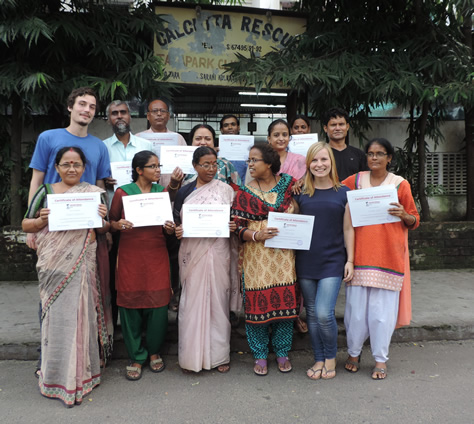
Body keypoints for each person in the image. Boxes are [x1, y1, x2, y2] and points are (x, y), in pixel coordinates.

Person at [26, 86, 112, 377]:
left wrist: (105, 225)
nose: (87, 110)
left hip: (87, 232)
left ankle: (85, 358)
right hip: (53, 232)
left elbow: (100, 188)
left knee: (87, 295)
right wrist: (32, 226)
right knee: (50, 294)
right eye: (82, 104)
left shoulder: (99, 147)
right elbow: (37, 181)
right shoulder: (48, 138)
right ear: (70, 107)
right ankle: (47, 361)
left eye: (91, 106)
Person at [22, 146, 111, 407]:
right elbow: (26, 224)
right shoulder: (46, 192)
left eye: (77, 164)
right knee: (57, 319)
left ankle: (82, 374)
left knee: (82, 316)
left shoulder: (94, 193)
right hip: (54, 265)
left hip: (82, 263)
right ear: (57, 167)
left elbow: (104, 228)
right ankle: (54, 376)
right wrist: (40, 221)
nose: (72, 169)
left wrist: (103, 219)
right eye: (66, 164)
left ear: (84, 168)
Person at [343, 138, 419, 380]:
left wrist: (404, 214)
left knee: (381, 314)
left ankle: (380, 359)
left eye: (380, 154)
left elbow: (414, 220)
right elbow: (332, 191)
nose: (374, 158)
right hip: (360, 256)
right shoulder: (354, 181)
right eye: (370, 153)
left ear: (389, 158)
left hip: (388, 257)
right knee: (355, 312)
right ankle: (353, 354)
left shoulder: (400, 184)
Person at [109, 150, 177, 381]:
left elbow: (168, 225)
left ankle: (154, 351)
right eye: (153, 166)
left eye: (159, 166)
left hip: (156, 254)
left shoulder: (161, 192)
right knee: (130, 305)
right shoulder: (122, 192)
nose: (158, 170)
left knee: (158, 306)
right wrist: (119, 225)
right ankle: (136, 356)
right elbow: (111, 221)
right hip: (130, 255)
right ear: (139, 171)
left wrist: (169, 228)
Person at [231, 143, 298, 376]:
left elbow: (300, 213)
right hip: (256, 257)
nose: (249, 164)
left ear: (269, 163)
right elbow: (237, 228)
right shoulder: (244, 192)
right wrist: (256, 234)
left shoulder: (289, 185)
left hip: (284, 257)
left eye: (254, 160)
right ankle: (259, 354)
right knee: (257, 306)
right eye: (248, 160)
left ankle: (282, 351)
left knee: (284, 305)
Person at [293, 142, 354, 380]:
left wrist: (351, 260)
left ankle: (330, 358)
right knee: (311, 314)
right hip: (306, 260)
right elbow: (291, 222)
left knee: (323, 313)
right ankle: (318, 358)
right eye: (314, 161)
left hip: (333, 260)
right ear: (308, 164)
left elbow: (349, 229)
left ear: (331, 162)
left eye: (324, 160)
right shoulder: (301, 194)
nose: (319, 165)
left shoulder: (344, 193)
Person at [174, 146, 235, 373]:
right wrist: (177, 231)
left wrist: (232, 226)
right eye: (205, 165)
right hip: (192, 254)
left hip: (218, 251)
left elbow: (235, 221)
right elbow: (175, 222)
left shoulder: (226, 190)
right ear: (195, 166)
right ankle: (191, 356)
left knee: (218, 302)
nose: (211, 169)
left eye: (214, 164)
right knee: (192, 302)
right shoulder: (185, 191)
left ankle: (219, 356)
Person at [267, 119, 307, 333]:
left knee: (293, 270)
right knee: (273, 270)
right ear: (269, 138)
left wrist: (300, 183)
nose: (281, 138)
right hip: (267, 218)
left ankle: (294, 316)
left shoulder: (300, 160)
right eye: (276, 134)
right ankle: (272, 315)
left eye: (284, 134)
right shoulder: (263, 160)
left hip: (293, 216)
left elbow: (305, 187)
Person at [136, 98, 187, 188]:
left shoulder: (178, 138)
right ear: (148, 116)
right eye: (155, 111)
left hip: (173, 189)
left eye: (163, 111)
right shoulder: (138, 138)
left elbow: (186, 164)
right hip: (144, 191)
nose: (159, 114)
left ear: (168, 116)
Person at [184, 124, 241, 188]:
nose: (203, 142)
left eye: (208, 139)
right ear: (191, 141)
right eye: (198, 139)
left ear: (213, 142)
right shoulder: (182, 163)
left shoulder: (225, 164)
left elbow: (237, 190)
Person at [322, 107, 368, 181]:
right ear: (325, 128)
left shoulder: (359, 155)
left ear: (347, 127)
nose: (337, 128)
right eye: (333, 125)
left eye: (341, 124)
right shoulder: (320, 154)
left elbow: (365, 181)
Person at [219, 114, 247, 181]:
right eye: (226, 125)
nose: (230, 127)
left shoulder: (248, 149)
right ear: (221, 129)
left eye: (233, 124)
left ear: (238, 127)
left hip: (244, 187)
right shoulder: (217, 152)